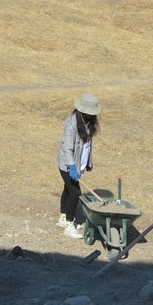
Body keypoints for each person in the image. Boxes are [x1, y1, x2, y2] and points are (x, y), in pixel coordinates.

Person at [56, 92, 101, 239]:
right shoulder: (71, 124)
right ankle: (69, 225)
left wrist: (88, 162)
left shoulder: (89, 121)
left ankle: (63, 218)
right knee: (75, 193)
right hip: (67, 164)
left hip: (79, 163)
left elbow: (87, 144)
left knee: (67, 189)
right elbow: (67, 148)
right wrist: (72, 167)